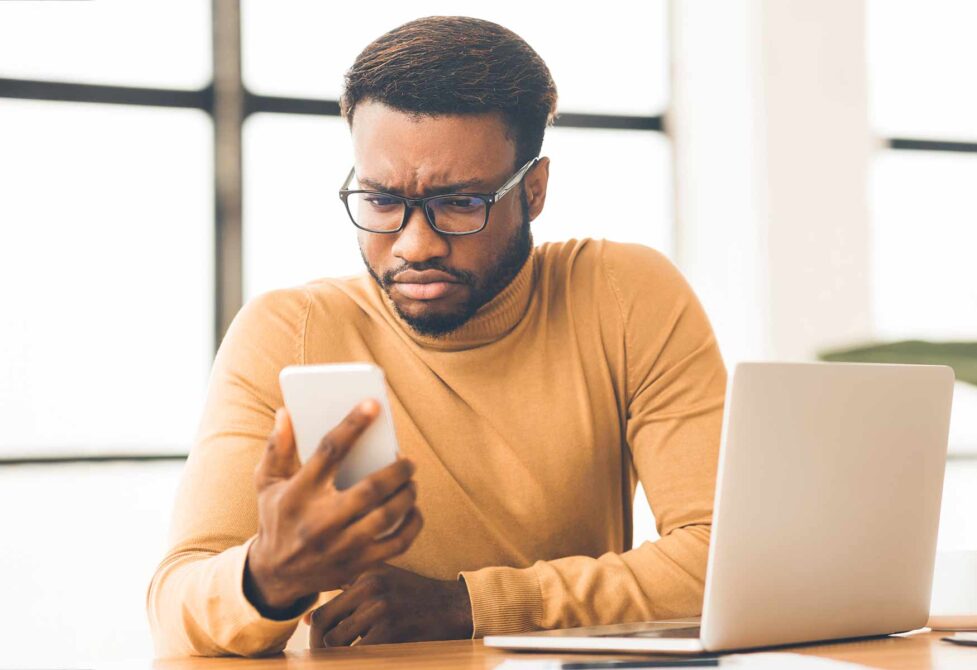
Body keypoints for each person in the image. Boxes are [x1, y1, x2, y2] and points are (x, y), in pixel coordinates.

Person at [146, 16, 726, 657]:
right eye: (381, 199)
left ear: (533, 190)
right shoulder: (291, 331)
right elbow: (175, 606)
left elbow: (721, 561)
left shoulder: (623, 295)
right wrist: (267, 577)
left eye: (460, 203)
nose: (415, 244)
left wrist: (470, 603)